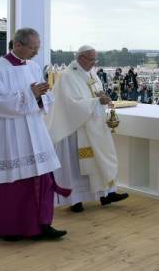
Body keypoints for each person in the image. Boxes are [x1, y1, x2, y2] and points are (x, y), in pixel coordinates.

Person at [0, 28, 70, 241]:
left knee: (42, 178)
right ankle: (11, 228)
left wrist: (41, 97)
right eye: (33, 48)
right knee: (14, 183)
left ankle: (43, 224)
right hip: (9, 133)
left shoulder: (34, 67)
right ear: (17, 44)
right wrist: (30, 94)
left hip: (34, 130)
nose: (36, 53)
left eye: (38, 48)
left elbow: (44, 98)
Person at [46, 45, 128, 213]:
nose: (94, 63)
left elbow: (96, 93)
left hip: (95, 126)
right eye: (91, 59)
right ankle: (75, 200)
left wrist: (102, 98)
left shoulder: (91, 73)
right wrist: (96, 102)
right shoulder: (68, 76)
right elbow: (70, 104)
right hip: (76, 129)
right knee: (77, 167)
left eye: (95, 60)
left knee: (103, 159)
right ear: (81, 58)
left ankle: (107, 193)